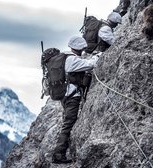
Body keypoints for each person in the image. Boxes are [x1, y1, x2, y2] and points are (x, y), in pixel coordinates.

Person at [52, 36, 100, 164]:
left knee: (67, 122)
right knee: (68, 124)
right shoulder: (72, 60)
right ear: (79, 48)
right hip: (72, 96)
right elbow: (90, 64)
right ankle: (58, 154)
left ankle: (60, 151)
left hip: (65, 95)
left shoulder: (64, 57)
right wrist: (98, 56)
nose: (83, 51)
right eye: (83, 49)